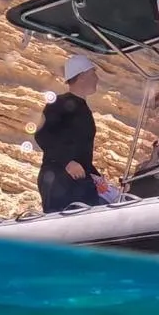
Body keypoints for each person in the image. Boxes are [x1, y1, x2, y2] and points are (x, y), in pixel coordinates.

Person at [34, 54, 108, 213]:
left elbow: (81, 151)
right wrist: (67, 162)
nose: (97, 78)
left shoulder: (83, 108)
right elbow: (43, 135)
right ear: (81, 76)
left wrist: (96, 176)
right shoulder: (58, 104)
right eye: (93, 73)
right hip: (58, 180)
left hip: (78, 183)